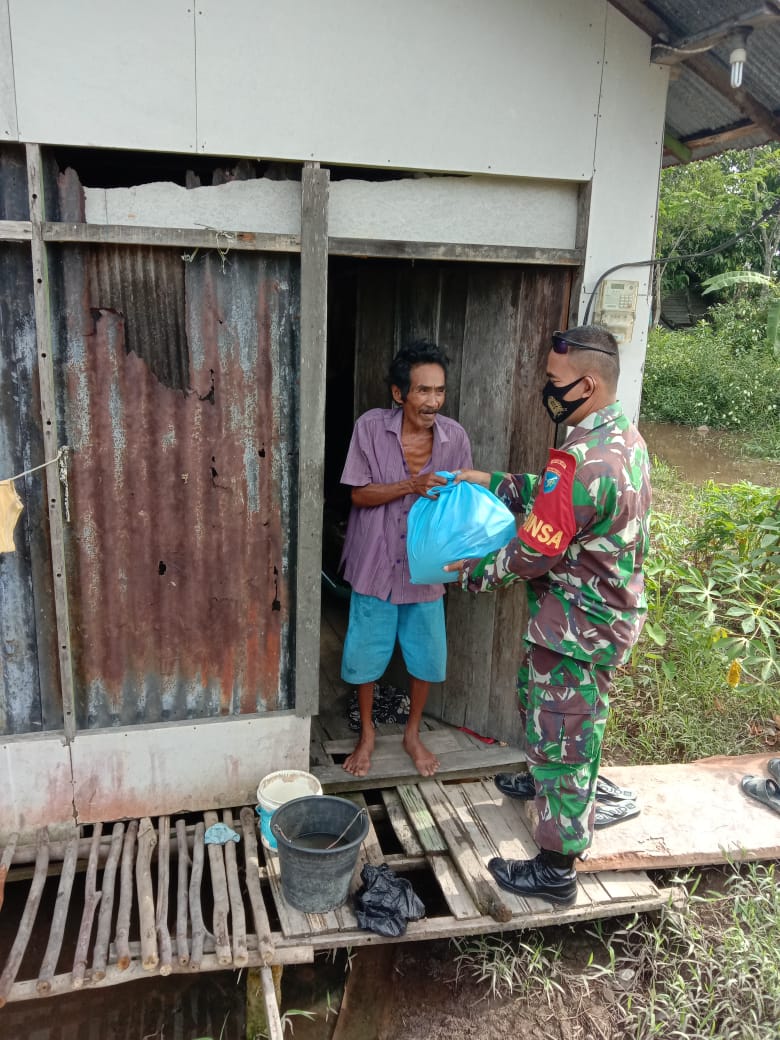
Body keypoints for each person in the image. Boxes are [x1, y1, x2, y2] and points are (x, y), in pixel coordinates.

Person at [445, 325, 651, 906]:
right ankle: (538, 781)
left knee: (566, 738)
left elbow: (534, 551)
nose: (547, 390)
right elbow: (561, 501)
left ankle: (556, 867)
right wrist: (493, 481)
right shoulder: (623, 440)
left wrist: (471, 572)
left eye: (553, 383)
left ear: (587, 384)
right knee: (544, 712)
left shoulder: (580, 459)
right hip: (590, 619)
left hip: (577, 630)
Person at [339, 340, 473, 777]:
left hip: (425, 568)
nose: (433, 402)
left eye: (439, 391)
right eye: (422, 391)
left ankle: (412, 734)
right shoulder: (370, 428)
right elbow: (358, 494)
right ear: (399, 394)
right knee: (364, 654)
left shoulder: (455, 438)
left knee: (427, 655)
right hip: (375, 562)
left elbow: (461, 502)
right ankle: (368, 735)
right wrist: (409, 485)